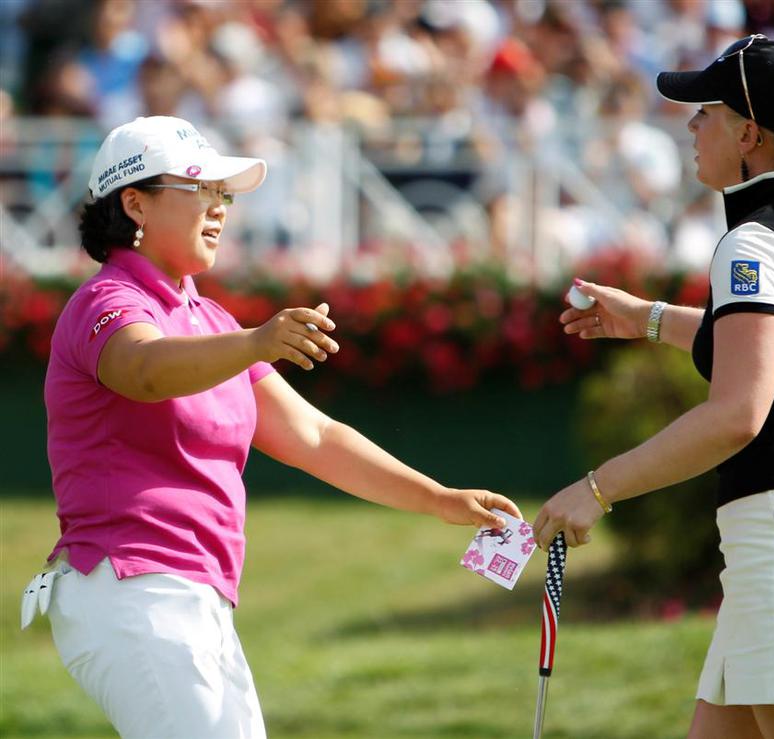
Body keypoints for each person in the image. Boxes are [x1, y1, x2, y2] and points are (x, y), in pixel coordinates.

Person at [21, 115, 522, 739]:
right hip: (130, 589)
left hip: (193, 598)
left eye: (223, 194)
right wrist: (257, 342)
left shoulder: (210, 320)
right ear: (135, 203)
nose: (219, 207)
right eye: (200, 188)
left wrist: (439, 499)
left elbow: (315, 437)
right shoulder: (107, 301)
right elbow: (144, 370)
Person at [532, 36, 774, 739]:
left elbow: (737, 413)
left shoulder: (755, 242)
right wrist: (648, 318)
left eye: (705, 112)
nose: (690, 126)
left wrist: (596, 489)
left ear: (747, 135)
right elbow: (773, 350)